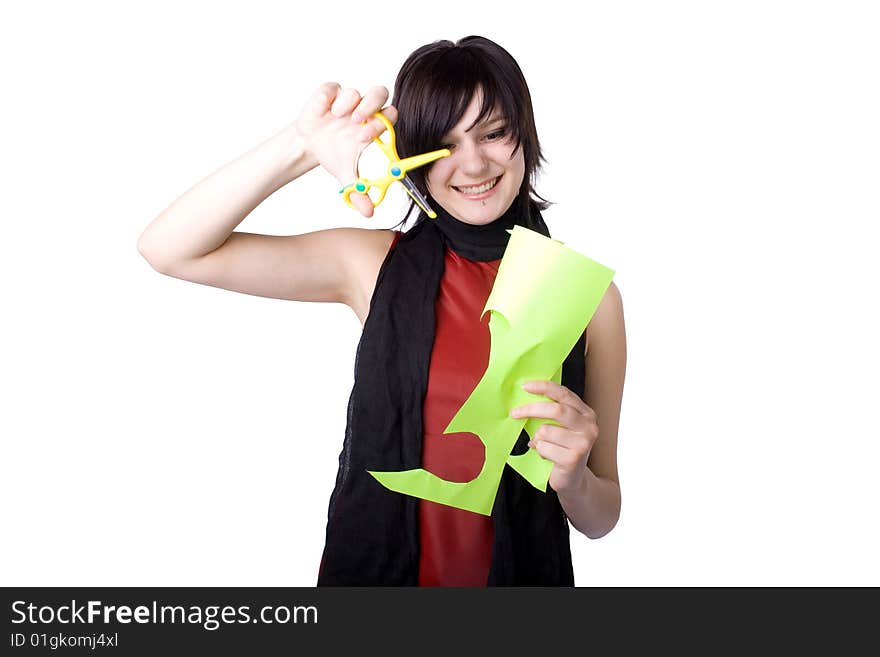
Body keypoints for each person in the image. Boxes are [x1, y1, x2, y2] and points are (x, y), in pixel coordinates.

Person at [137, 35, 626, 586]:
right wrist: (302, 144)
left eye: (493, 133)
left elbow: (601, 517)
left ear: (525, 135)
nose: (472, 163)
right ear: (411, 156)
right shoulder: (370, 264)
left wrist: (576, 477)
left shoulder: (588, 298)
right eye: (442, 145)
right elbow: (171, 249)